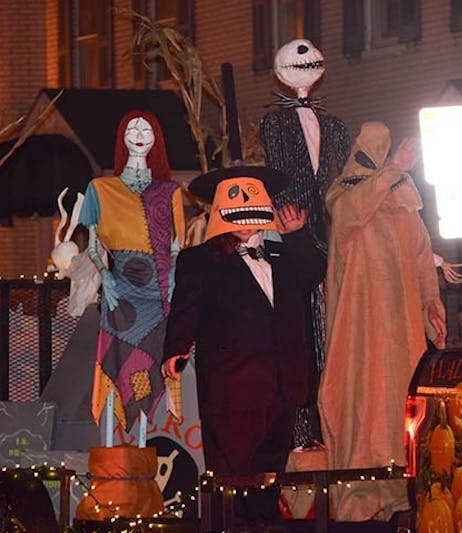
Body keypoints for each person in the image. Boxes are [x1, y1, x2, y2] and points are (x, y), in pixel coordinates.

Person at [161, 166, 326, 525]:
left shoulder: (280, 255)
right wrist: (176, 348)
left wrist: (297, 235)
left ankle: (265, 525)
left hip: (282, 386)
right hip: (232, 389)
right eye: (236, 213)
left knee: (269, 480)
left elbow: (313, 276)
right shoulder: (201, 260)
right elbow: (185, 309)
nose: (246, 222)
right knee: (234, 482)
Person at [318, 122, 446, 521]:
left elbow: (423, 260)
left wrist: (432, 308)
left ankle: (400, 491)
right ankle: (360, 498)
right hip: (360, 332)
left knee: (401, 406)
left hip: (403, 330)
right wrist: (393, 169)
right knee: (363, 403)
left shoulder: (407, 204)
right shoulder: (346, 197)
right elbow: (348, 216)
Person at [260, 38, 351, 447]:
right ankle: (302, 435)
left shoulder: (334, 127)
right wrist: (285, 217)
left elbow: (346, 179)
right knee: (301, 337)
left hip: (331, 233)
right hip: (295, 232)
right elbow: (277, 169)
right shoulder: (275, 124)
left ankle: (333, 430)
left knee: (331, 333)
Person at [79, 110, 186, 433]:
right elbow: (94, 244)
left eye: (146, 130)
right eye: (131, 129)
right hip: (121, 294)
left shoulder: (170, 192)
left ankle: (145, 447)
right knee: (121, 368)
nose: (139, 134)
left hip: (159, 297)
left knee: (152, 367)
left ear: (156, 140)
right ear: (122, 139)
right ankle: (120, 453)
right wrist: (106, 278)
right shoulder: (100, 189)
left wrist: (172, 283)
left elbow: (179, 246)